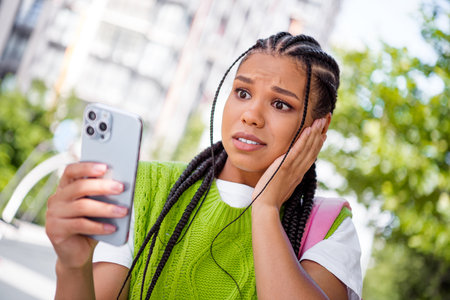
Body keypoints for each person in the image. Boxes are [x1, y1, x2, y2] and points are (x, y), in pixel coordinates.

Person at [46, 32, 362, 299]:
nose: (251, 114)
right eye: (242, 92)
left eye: (280, 104)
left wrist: (265, 209)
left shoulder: (330, 226)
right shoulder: (147, 185)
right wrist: (72, 266)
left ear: (319, 128)